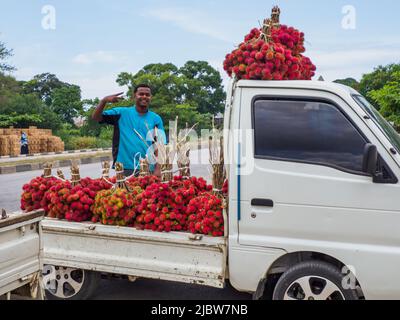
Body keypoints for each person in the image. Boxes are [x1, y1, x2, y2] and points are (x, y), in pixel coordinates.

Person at [92, 84, 164, 177]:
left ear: (151, 97)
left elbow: (160, 145)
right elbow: (96, 117)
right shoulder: (121, 113)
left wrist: (158, 169)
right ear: (134, 96)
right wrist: (103, 101)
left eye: (147, 94)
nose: (144, 97)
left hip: (148, 167)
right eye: (141, 94)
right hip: (124, 167)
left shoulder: (156, 118)